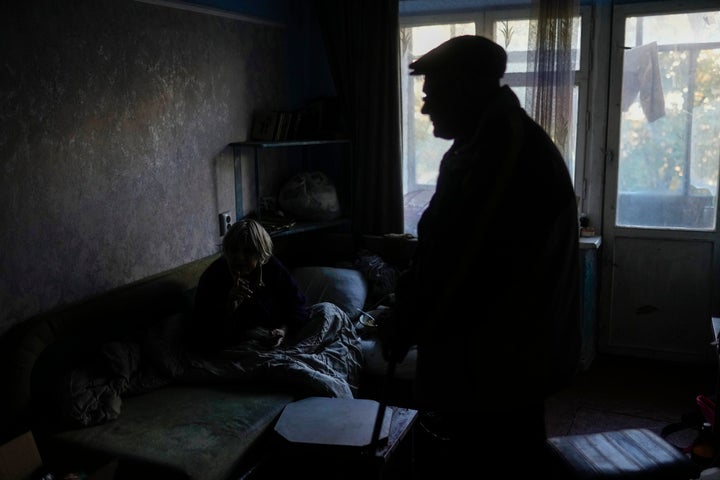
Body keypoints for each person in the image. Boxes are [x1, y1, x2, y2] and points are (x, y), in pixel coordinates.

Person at [381, 35, 582, 474]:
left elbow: (456, 256)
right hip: (500, 354)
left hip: (500, 360)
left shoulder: (501, 153)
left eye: (431, 95)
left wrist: (406, 319)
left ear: (465, 88)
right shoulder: (488, 139)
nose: (424, 108)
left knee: (494, 460)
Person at [190, 217, 310, 353]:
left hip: (276, 334)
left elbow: (297, 305)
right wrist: (228, 308)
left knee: (328, 311)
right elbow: (200, 327)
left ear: (260, 254)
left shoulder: (272, 267)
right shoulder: (215, 275)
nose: (240, 257)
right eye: (234, 250)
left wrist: (283, 330)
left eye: (248, 252)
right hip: (238, 343)